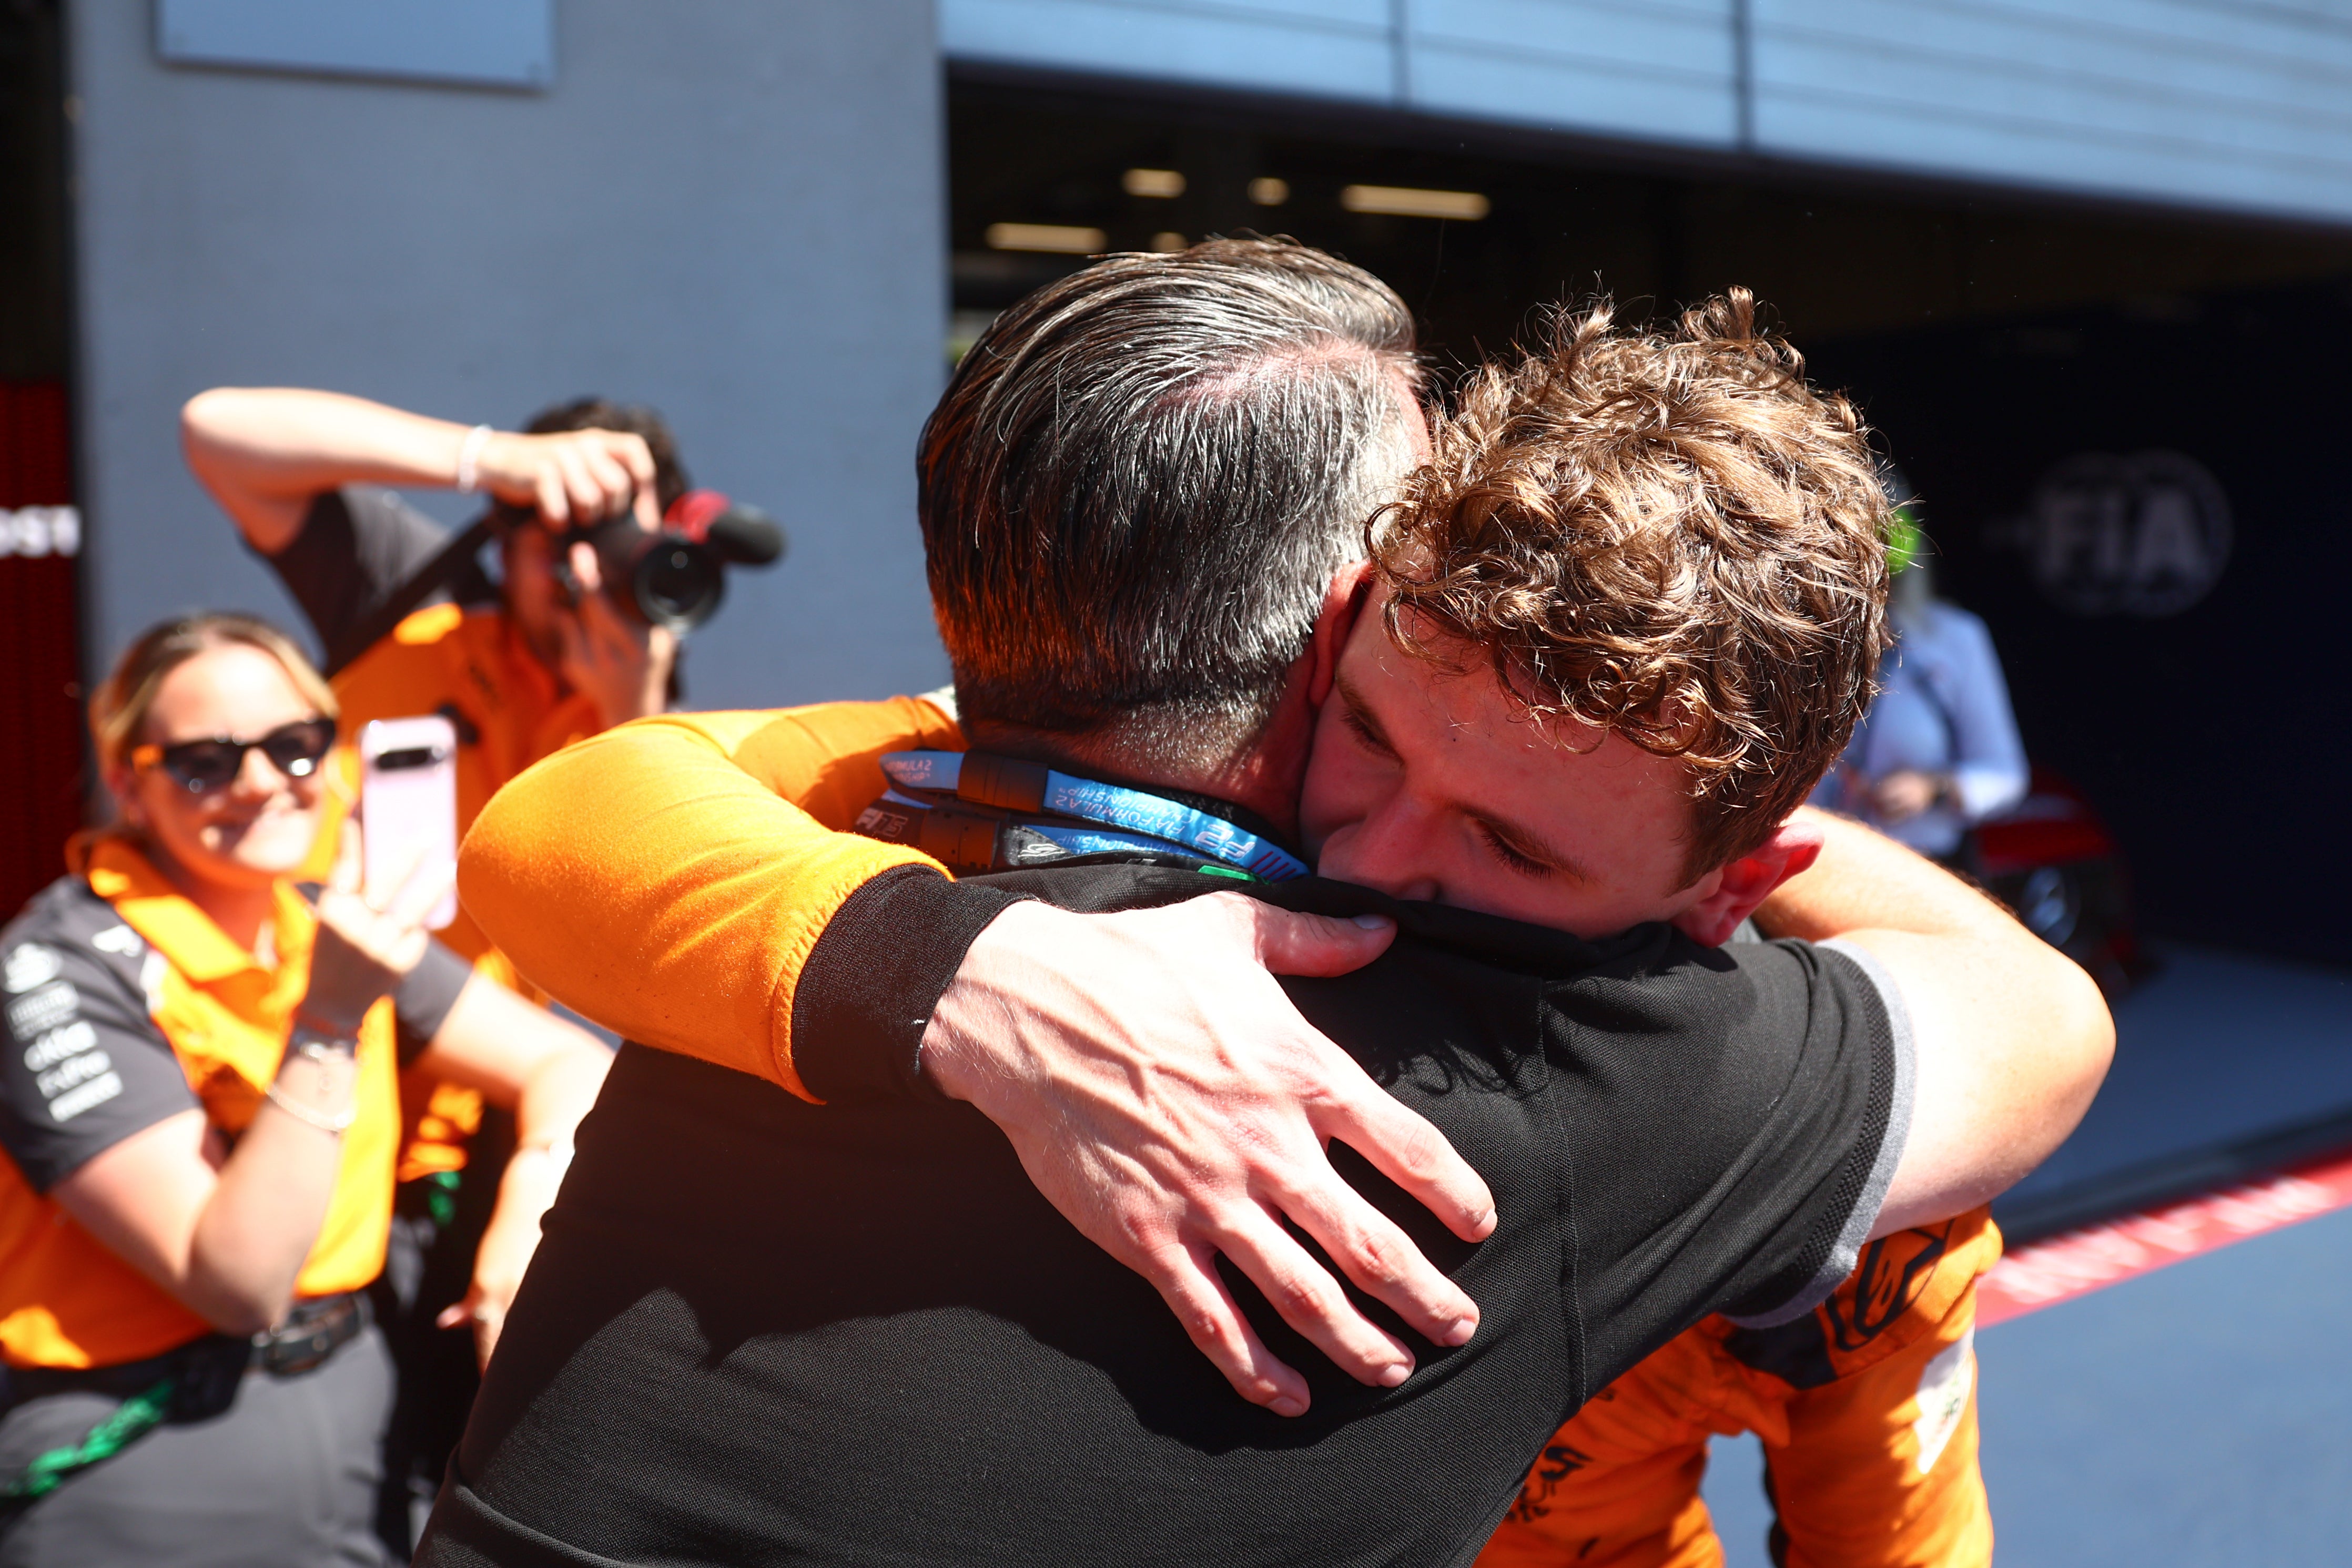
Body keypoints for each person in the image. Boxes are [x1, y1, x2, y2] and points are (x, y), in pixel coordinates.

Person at [419, 253, 2107, 1565]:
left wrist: (942, 946)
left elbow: (587, 803)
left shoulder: (749, 925)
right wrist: (1655, 815)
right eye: (1377, 725)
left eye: (1510, 844)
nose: (1379, 864)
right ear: (1339, 616)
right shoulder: (1564, 1065)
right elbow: (2038, 1021)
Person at [181, 388, 688, 1543]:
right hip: (325, 1112)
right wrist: (491, 460)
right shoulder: (403, 596)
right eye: (558, 549)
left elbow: (631, 917)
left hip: (522, 1132)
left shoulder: (637, 674)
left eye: (616, 548)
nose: (582, 581)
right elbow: (216, 432)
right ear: (503, 539)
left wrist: (632, 706)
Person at [0, 614, 609, 1566]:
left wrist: (526, 1211)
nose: (259, 782)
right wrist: (328, 1023)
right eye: (204, 760)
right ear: (127, 782)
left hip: (358, 1398)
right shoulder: (55, 965)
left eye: (293, 745)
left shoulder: (321, 916)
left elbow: (570, 1064)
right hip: (145, 1436)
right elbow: (236, 1280)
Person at [1808, 483, 2027, 863]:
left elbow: (2004, 776)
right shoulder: (1803, 639)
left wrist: (1933, 789)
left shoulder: (1956, 638)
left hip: (1923, 868)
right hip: (1816, 869)